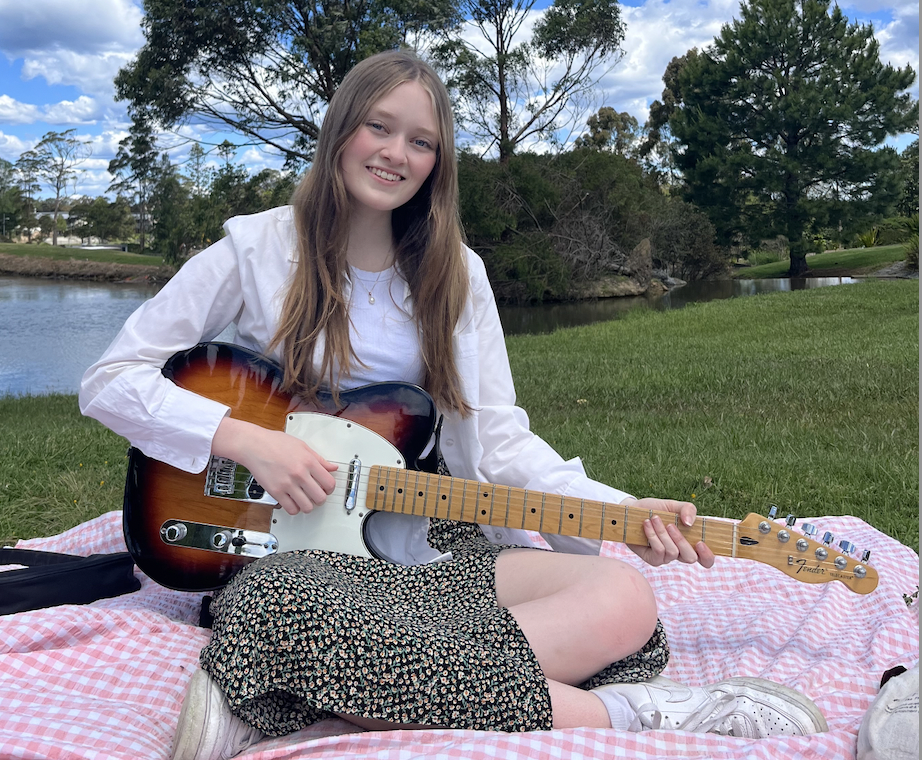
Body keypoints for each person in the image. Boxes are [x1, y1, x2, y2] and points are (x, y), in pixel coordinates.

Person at [79, 51, 827, 760]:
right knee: (285, 611)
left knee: (624, 599)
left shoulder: (456, 274)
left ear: (438, 162)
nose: (395, 154)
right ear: (340, 130)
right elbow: (111, 379)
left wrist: (625, 511)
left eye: (421, 141)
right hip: (284, 561)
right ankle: (636, 714)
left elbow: (499, 442)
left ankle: (304, 698)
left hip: (413, 553)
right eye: (379, 127)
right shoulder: (253, 249)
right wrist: (248, 441)